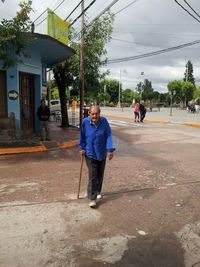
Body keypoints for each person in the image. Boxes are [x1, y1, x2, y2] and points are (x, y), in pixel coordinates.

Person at [79, 105, 115, 208]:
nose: (95, 116)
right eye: (93, 114)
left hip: (101, 152)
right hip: (90, 153)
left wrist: (109, 150)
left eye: (97, 114)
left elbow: (108, 135)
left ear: (99, 114)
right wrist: (81, 147)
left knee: (100, 174)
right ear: (89, 114)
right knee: (93, 176)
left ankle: (98, 190)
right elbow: (82, 136)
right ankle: (92, 198)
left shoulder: (104, 122)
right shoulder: (85, 122)